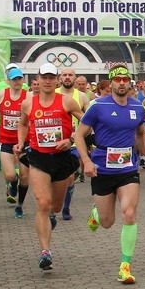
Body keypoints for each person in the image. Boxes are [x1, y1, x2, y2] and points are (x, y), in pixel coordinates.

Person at [75, 65, 145, 284]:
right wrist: (86, 161)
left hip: (128, 168)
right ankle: (97, 213)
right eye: (117, 79)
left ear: (130, 82)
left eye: (125, 79)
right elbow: (79, 135)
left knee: (129, 213)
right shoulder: (98, 106)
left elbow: (140, 134)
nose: (121, 83)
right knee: (107, 222)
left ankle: (125, 266)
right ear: (110, 83)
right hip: (102, 168)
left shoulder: (137, 106)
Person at [14, 62, 83, 271]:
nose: (47, 81)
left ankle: (52, 216)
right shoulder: (28, 103)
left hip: (61, 159)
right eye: (44, 77)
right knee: (42, 203)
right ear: (37, 79)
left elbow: (86, 125)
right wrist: (20, 142)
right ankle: (45, 252)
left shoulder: (67, 102)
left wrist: (71, 139)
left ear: (57, 80)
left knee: (56, 207)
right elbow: (23, 124)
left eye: (51, 77)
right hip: (39, 158)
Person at [0, 67, 30, 218]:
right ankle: (12, 183)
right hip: (6, 140)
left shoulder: (28, 96)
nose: (17, 82)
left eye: (19, 78)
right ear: (8, 81)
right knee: (11, 175)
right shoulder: (1, 95)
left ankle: (20, 206)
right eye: (14, 79)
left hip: (24, 141)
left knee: (25, 177)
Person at [55, 68, 90, 219]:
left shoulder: (81, 96)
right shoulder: (53, 94)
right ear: (60, 78)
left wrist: (78, 136)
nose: (67, 77)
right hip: (54, 143)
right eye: (65, 75)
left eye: (70, 75)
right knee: (55, 178)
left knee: (69, 177)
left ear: (75, 78)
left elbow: (88, 119)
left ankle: (66, 208)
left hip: (73, 143)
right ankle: (54, 205)